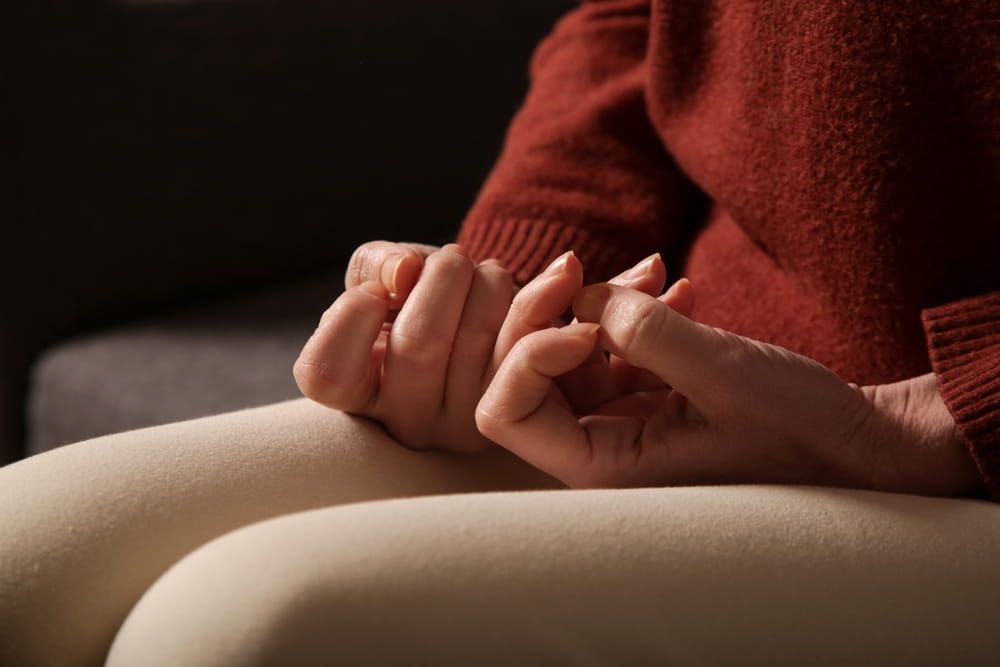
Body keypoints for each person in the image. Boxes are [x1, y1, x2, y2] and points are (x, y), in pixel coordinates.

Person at [1, 1, 997, 665]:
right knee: (22, 553)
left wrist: (924, 422)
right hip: (690, 379)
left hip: (958, 463)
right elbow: (632, 22)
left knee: (247, 628)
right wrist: (511, 292)